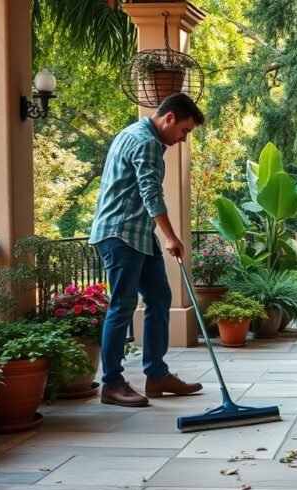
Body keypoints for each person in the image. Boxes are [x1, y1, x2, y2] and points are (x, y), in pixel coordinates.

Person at [89, 93, 206, 407]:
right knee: (122, 306)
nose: (183, 139)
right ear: (169, 118)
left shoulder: (134, 134)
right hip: (121, 234)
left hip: (139, 234)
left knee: (159, 298)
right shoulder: (147, 143)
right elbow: (150, 192)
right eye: (184, 130)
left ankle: (156, 375)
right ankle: (111, 383)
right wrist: (171, 236)